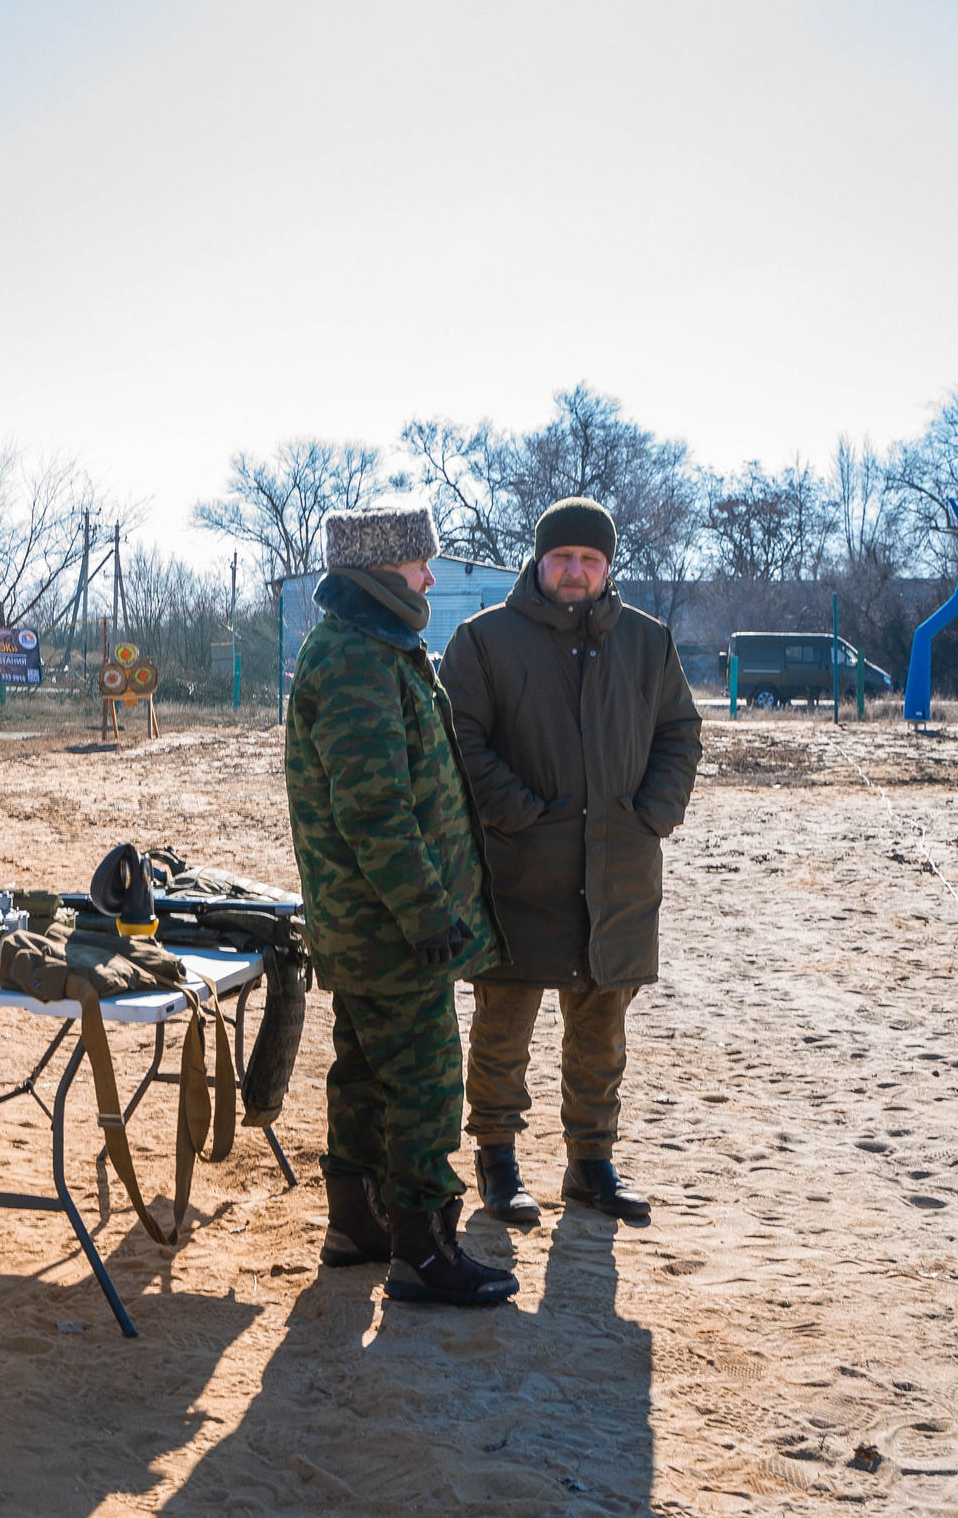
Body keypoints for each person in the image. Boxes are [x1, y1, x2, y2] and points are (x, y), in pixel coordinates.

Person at [440, 495, 702, 1226]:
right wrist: (515, 810)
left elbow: (681, 730)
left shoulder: (648, 643)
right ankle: (497, 1161)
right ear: (539, 559)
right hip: (519, 871)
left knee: (601, 1030)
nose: (577, 571)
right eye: (564, 557)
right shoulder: (486, 640)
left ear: (608, 564)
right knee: (503, 1027)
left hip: (617, 872)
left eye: (591, 559)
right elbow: (460, 737)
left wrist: (654, 811)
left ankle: (592, 1163)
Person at [281, 500, 518, 1307]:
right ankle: (422, 1248)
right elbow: (375, 808)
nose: (429, 575)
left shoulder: (371, 646)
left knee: (362, 1071)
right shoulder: (354, 660)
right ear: (383, 569)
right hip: (389, 928)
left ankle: (356, 1224)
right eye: (420, 563)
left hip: (368, 925)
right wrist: (428, 916)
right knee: (421, 1079)